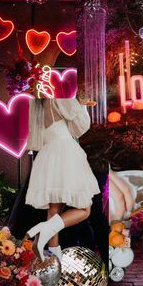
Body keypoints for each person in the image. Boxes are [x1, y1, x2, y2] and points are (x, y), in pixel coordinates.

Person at [25, 98, 100, 262]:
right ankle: (45, 229)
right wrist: (82, 105)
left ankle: (53, 259)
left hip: (47, 154)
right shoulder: (61, 98)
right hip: (66, 152)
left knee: (54, 210)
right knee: (85, 209)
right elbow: (81, 127)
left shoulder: (36, 104)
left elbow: (38, 137)